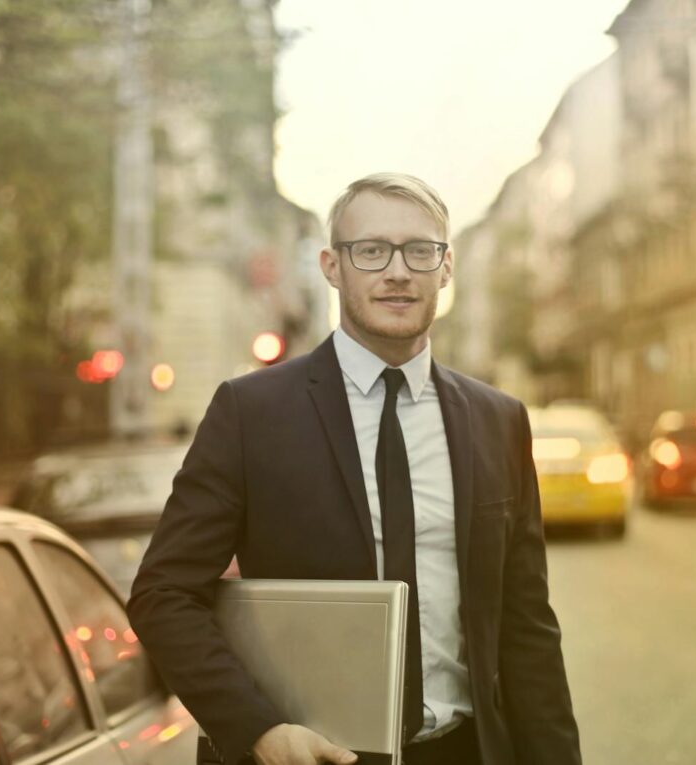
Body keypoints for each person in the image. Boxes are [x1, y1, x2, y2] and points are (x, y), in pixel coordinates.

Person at [128, 173, 581, 765]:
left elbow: (527, 628)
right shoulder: (251, 413)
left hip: (466, 750)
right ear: (332, 266)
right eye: (370, 251)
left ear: (446, 269)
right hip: (309, 755)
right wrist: (259, 731)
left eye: (421, 250)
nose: (398, 271)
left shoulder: (498, 420)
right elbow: (163, 594)